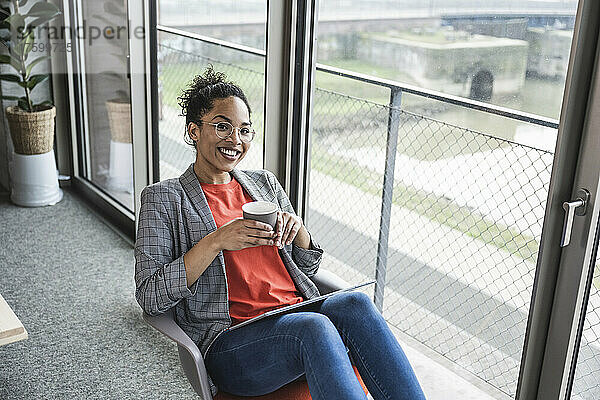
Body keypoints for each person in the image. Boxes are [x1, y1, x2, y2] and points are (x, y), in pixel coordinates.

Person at [134, 65, 426, 400]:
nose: (236, 140)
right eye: (222, 127)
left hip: (295, 311)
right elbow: (149, 296)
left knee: (355, 304)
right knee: (313, 329)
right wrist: (216, 240)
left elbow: (309, 269)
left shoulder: (264, 184)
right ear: (194, 131)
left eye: (245, 130)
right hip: (232, 340)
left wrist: (298, 231)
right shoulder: (164, 198)